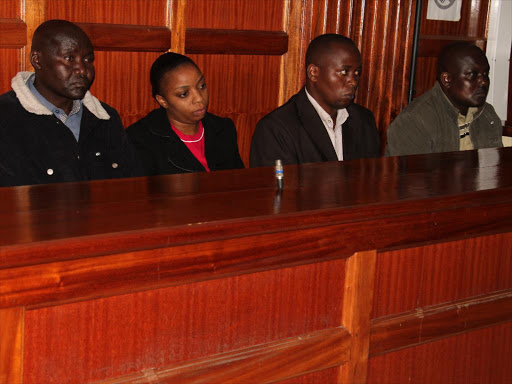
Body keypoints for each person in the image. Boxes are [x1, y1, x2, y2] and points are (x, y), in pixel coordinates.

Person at [0, 19, 139, 187]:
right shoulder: (6, 118)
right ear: (37, 60)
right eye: (69, 58)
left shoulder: (106, 119)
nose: (82, 69)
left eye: (88, 60)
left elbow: (129, 187)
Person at [250, 34, 380, 167]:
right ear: (313, 73)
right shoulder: (276, 129)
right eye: (344, 72)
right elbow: (279, 187)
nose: (353, 82)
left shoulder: (364, 120)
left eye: (357, 73)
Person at [126, 52, 244, 175]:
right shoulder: (139, 140)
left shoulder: (223, 129)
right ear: (163, 101)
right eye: (184, 94)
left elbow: (240, 184)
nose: (199, 98)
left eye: (201, 86)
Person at [386, 43, 502, 156]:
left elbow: (494, 168)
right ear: (447, 79)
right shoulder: (414, 121)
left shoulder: (487, 114)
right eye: (472, 75)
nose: (483, 82)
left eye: (485, 74)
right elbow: (413, 175)